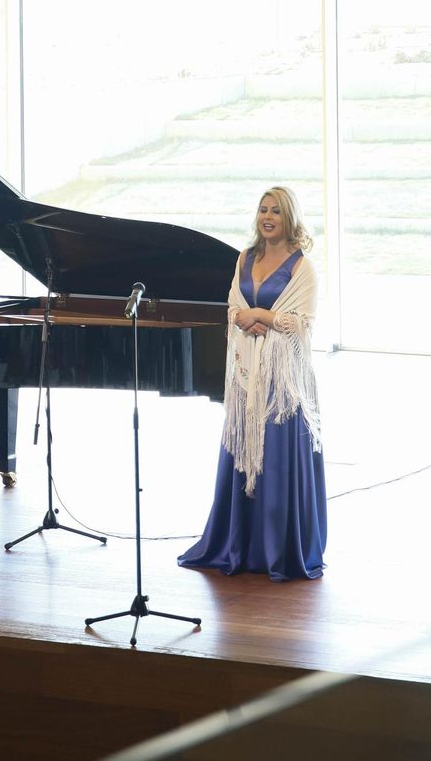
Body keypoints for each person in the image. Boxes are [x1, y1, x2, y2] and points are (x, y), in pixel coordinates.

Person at [177, 186, 327, 581]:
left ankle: (280, 550)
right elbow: (233, 308)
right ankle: (238, 546)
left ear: (289, 217)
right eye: (263, 210)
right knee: (242, 449)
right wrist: (251, 318)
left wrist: (261, 314)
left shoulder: (303, 268)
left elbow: (302, 323)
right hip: (246, 377)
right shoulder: (245, 258)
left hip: (283, 384)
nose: (268, 217)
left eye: (276, 211)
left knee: (277, 454)